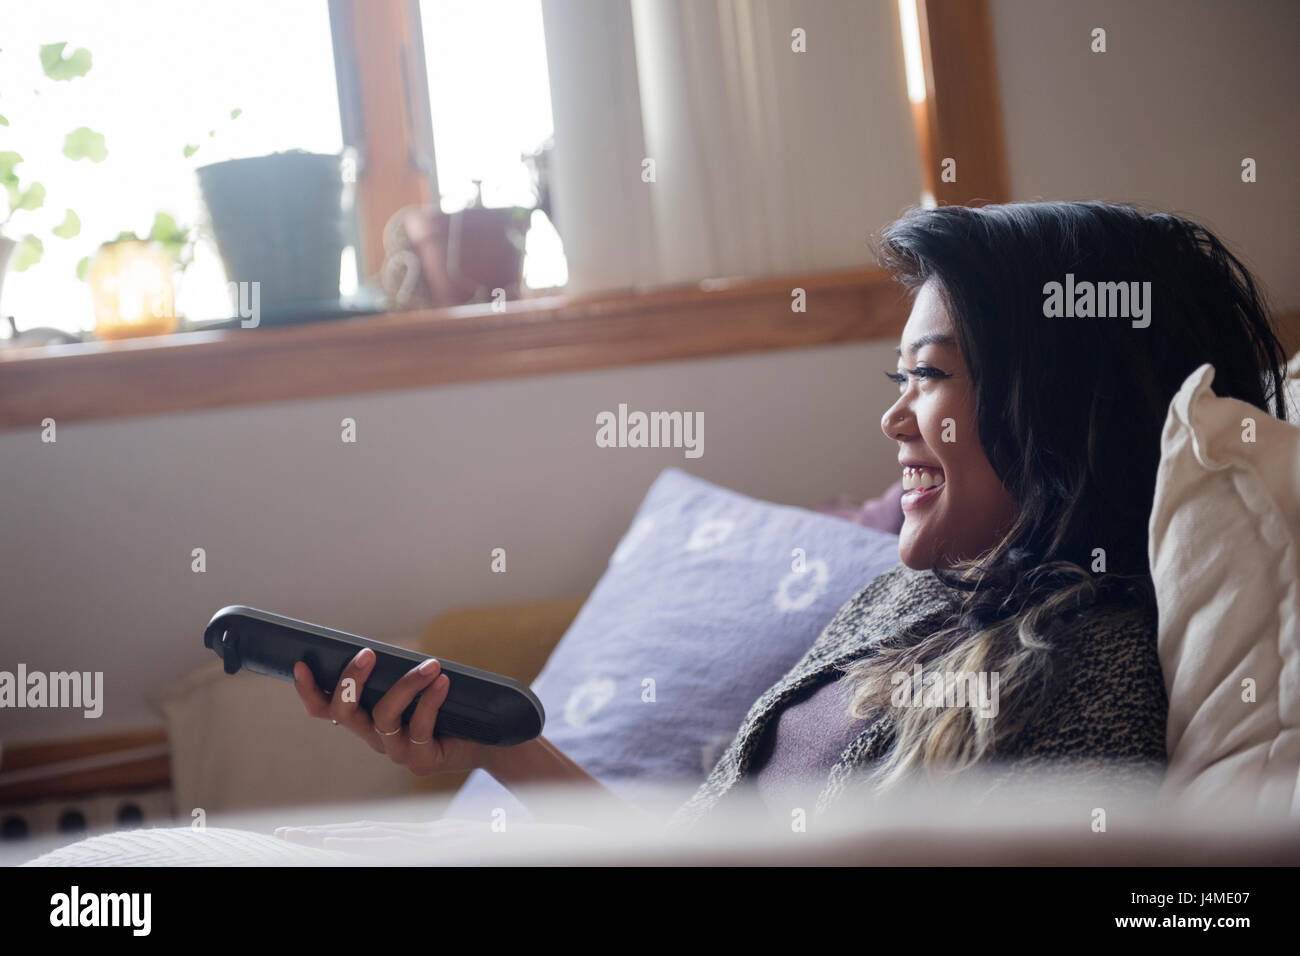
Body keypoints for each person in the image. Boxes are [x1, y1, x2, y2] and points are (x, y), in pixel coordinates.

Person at [292, 201, 1291, 831]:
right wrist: (497, 741)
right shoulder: (906, 602)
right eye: (897, 375)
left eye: (931, 374)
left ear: (1068, 400)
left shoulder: (1095, 672)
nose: (893, 415)